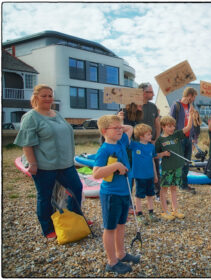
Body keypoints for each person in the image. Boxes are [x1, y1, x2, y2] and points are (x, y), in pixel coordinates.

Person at [13, 84, 86, 240]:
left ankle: (75, 219)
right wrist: (32, 164)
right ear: (36, 97)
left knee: (77, 189)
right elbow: (27, 143)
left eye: (50, 95)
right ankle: (48, 228)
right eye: (44, 95)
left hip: (66, 164)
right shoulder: (31, 117)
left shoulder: (57, 114)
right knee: (45, 197)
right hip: (45, 165)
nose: (48, 98)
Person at [92, 115, 139, 274]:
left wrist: (118, 122)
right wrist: (116, 165)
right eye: (115, 128)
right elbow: (96, 173)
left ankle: (121, 254)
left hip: (124, 191)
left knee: (121, 225)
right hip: (111, 194)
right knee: (110, 228)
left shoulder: (121, 142)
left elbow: (130, 129)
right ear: (104, 131)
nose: (120, 130)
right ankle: (112, 262)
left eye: (120, 128)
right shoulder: (104, 149)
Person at [155, 112, 194, 220]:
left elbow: (188, 127)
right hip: (167, 168)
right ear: (163, 126)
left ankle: (175, 210)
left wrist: (191, 116)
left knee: (174, 188)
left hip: (177, 167)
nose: (172, 128)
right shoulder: (160, 140)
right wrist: (163, 154)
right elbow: (155, 155)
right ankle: (164, 211)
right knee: (164, 189)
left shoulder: (176, 135)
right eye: (169, 126)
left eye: (173, 126)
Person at [170, 87, 198, 194]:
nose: (194, 99)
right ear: (189, 95)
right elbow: (170, 122)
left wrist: (194, 137)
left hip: (188, 139)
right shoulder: (176, 105)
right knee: (180, 162)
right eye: (194, 96)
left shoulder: (191, 106)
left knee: (187, 162)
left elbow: (192, 124)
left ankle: (184, 184)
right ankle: (181, 185)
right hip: (179, 139)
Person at [129, 124, 159, 225]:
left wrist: (155, 175)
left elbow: (152, 161)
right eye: (148, 134)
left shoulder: (151, 147)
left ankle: (151, 212)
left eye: (150, 134)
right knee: (139, 195)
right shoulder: (135, 145)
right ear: (141, 136)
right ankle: (139, 214)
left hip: (150, 175)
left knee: (150, 194)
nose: (151, 136)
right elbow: (126, 137)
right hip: (139, 176)